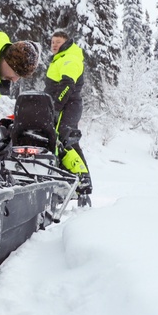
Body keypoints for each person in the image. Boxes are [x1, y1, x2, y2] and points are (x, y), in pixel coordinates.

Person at [45, 30, 91, 196]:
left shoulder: (70, 58)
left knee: (65, 140)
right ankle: (72, 179)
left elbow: (67, 85)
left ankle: (83, 181)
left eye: (58, 41)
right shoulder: (60, 59)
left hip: (68, 105)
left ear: (66, 42)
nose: (54, 45)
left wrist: (56, 107)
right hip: (62, 105)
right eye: (52, 42)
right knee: (61, 140)